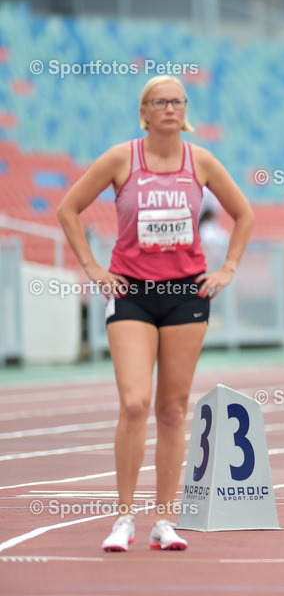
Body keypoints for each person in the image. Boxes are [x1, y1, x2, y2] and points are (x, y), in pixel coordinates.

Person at [56, 75, 254, 551]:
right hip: (132, 294)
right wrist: (92, 268)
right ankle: (124, 516)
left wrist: (228, 267)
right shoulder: (121, 158)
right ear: (143, 112)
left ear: (185, 111)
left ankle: (164, 520)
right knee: (134, 403)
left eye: (177, 101)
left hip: (186, 294)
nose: (169, 108)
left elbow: (245, 214)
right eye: (159, 101)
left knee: (172, 409)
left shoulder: (200, 161)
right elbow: (68, 209)